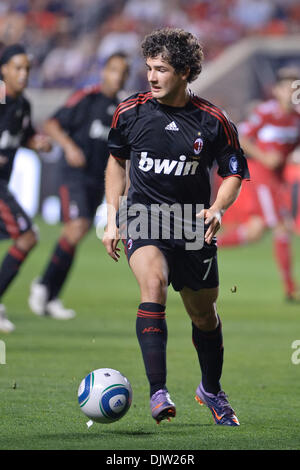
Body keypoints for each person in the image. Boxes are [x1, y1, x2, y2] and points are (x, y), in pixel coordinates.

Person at [102, 28, 249, 426]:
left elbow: (234, 170)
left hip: (191, 224)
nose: (151, 77)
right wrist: (112, 216)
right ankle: (158, 392)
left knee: (204, 316)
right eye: (149, 68)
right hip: (143, 215)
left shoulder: (213, 120)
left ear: (185, 72)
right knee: (152, 285)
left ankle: (211, 390)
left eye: (161, 69)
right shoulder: (130, 111)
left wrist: (218, 206)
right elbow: (116, 161)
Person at [28, 53, 129, 319]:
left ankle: (51, 295)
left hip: (99, 179)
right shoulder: (87, 97)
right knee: (78, 226)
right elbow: (52, 123)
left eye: (123, 72)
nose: (117, 76)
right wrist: (70, 147)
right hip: (74, 175)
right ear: (104, 71)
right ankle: (44, 285)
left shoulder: (123, 109)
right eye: (113, 70)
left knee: (78, 233)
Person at [217, 67, 300, 301]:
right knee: (282, 226)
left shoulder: (296, 119)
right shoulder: (266, 112)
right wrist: (264, 157)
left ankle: (208, 245)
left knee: (255, 230)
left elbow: (291, 147)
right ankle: (290, 288)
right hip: (260, 173)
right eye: (288, 88)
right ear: (277, 91)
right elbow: (241, 138)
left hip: (277, 179)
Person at [0, 44, 51, 333]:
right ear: (3, 69)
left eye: (27, 69)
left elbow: (24, 136)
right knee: (28, 236)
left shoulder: (23, 105)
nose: (23, 74)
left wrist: (38, 143)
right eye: (17, 68)